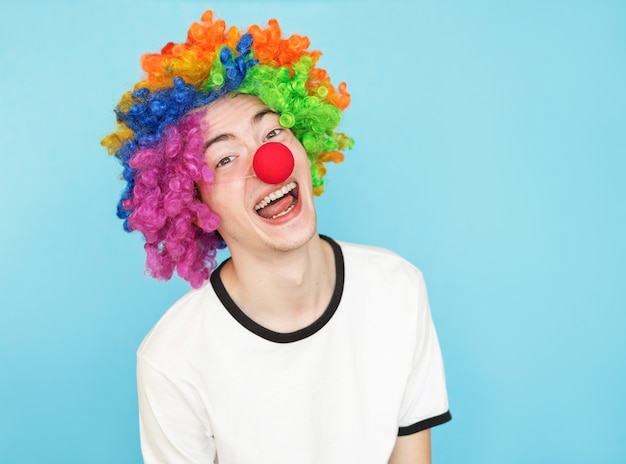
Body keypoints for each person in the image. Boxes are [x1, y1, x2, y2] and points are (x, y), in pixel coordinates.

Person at [102, 9, 451, 464]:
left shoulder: (396, 289)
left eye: (272, 132)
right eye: (225, 159)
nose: (269, 162)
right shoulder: (172, 360)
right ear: (194, 202)